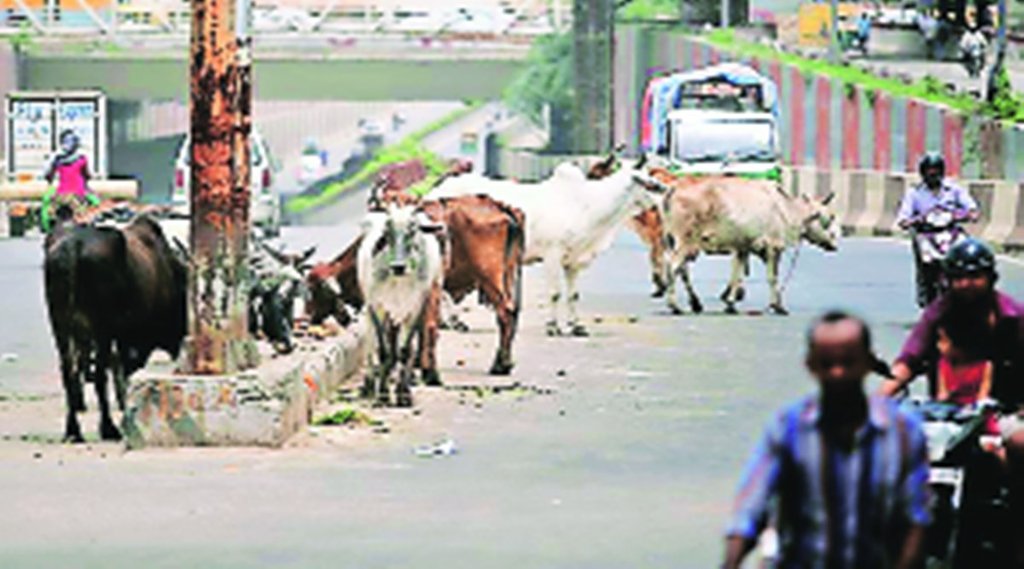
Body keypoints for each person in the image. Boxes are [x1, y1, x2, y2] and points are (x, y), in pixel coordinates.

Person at [724, 311, 930, 569]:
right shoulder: (788, 428)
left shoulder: (903, 432)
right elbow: (750, 510)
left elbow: (916, 518)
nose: (838, 373)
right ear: (810, 365)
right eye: (827, 363)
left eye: (848, 362)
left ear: (868, 363)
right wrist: (731, 562)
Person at [880, 238, 1024, 567]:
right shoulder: (939, 314)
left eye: (974, 276)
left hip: (1003, 412)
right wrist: (875, 400)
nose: (965, 284)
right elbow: (907, 362)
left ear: (990, 278)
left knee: (1018, 447)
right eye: (958, 277)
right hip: (948, 417)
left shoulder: (1013, 318)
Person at [897, 152, 979, 306]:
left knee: (970, 256)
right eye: (929, 170)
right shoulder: (914, 193)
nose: (932, 174)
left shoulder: (953, 189)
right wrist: (912, 221)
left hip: (951, 232)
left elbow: (971, 208)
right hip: (926, 234)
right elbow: (903, 217)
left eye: (936, 170)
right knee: (924, 262)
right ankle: (924, 291)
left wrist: (967, 214)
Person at [41, 129, 101, 232]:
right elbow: (87, 176)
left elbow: (48, 177)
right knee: (97, 204)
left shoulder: (57, 160)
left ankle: (46, 229)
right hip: (78, 193)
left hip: (61, 194)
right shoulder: (82, 159)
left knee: (46, 207)